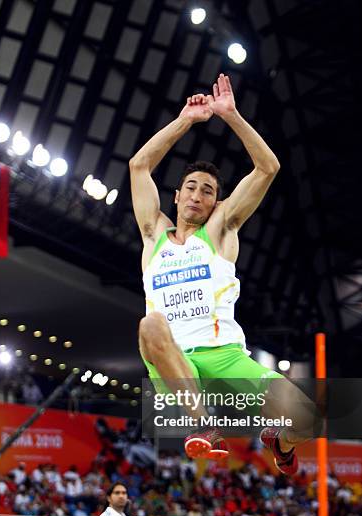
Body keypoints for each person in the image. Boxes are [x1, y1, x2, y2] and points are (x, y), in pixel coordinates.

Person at [130, 73, 316, 475]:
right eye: (191, 187)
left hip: (227, 357)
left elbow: (268, 167)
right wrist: (186, 120)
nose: (198, 195)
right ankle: (202, 425)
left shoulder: (221, 229)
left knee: (307, 419)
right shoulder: (153, 235)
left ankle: (278, 442)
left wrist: (230, 115)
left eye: (208, 191)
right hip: (175, 363)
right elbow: (139, 165)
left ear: (217, 203)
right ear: (176, 196)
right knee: (150, 324)